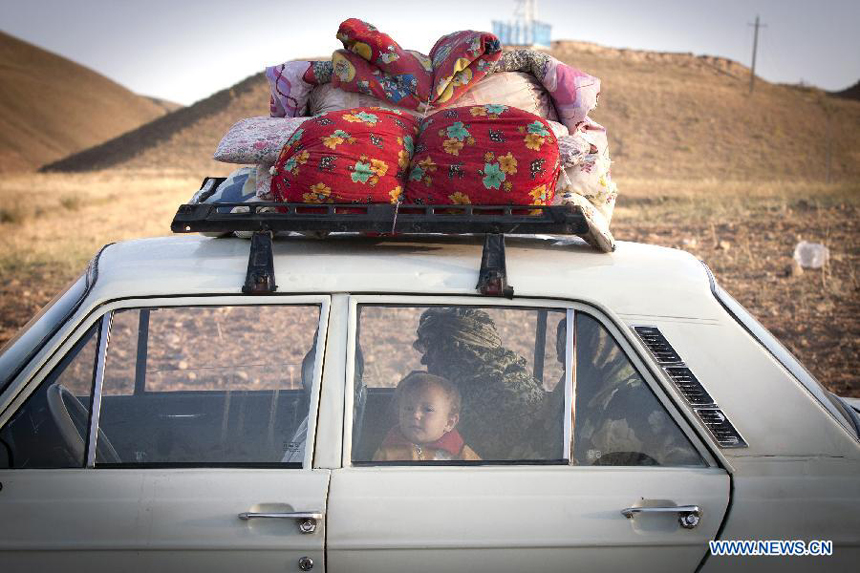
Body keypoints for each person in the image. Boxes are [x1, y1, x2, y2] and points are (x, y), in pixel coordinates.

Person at [412, 307, 546, 460]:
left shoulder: (484, 397)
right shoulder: (511, 377)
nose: (425, 360)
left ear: (454, 352)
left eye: (432, 349)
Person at [373, 371, 480, 461]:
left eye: (428, 410)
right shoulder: (387, 451)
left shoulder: (460, 453)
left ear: (449, 423)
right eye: (408, 408)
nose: (415, 415)